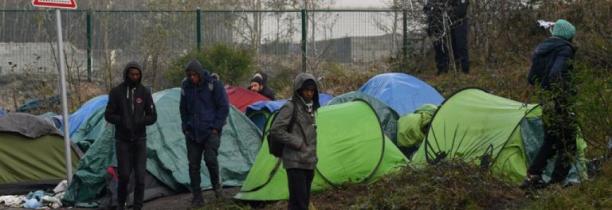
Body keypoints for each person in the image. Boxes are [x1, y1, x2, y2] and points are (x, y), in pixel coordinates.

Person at [523, 19, 577, 188]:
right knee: (569, 145)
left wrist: (545, 92)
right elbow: (556, 73)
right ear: (568, 36)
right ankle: (556, 183)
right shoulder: (564, 49)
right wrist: (562, 94)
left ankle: (533, 175)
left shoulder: (541, 50)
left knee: (550, 140)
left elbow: (532, 78)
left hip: (545, 101)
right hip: (559, 102)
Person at [104, 61, 157, 210]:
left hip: (140, 140)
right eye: (132, 74)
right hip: (123, 141)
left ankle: (138, 206)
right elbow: (108, 115)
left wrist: (140, 121)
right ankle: (121, 203)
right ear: (126, 74)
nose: (134, 77)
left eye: (137, 74)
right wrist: (122, 121)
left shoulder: (144, 92)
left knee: (140, 177)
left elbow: (153, 116)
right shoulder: (116, 92)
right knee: (125, 176)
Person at [179, 60, 230, 207]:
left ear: (200, 73)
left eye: (194, 75)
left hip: (210, 131)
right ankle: (197, 196)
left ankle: (217, 189)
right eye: (190, 75)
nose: (192, 78)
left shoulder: (213, 84)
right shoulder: (186, 87)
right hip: (192, 132)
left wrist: (216, 127)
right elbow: (183, 109)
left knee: (210, 159)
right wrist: (185, 126)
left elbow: (223, 107)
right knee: (193, 165)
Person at [269, 73, 320, 210]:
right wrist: (297, 142)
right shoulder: (290, 107)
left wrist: (313, 157)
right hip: (295, 162)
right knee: (301, 203)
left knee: (297, 203)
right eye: (306, 90)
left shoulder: (311, 108)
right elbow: (276, 130)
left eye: (312, 91)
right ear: (299, 90)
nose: (309, 93)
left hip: (308, 161)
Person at [424, 0, 470, 75]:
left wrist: (451, 14)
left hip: (458, 21)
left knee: (460, 45)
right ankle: (443, 69)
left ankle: (464, 69)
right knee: (441, 46)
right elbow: (427, 8)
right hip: (439, 21)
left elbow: (462, 9)